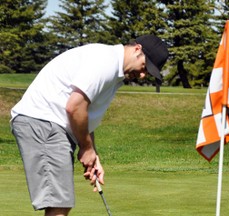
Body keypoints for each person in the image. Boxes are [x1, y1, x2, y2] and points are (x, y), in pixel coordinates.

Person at [10, 35, 169, 216]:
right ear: (137, 49)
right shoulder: (106, 62)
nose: (142, 75)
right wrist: (86, 149)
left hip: (52, 124)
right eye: (145, 67)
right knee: (59, 203)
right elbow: (74, 106)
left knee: (61, 203)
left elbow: (85, 114)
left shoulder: (114, 73)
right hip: (43, 121)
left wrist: (93, 155)